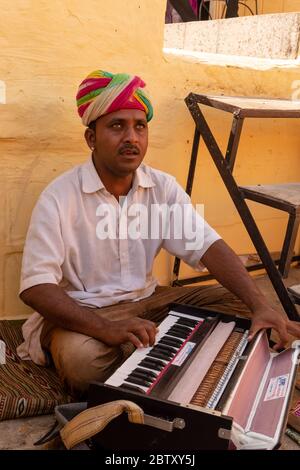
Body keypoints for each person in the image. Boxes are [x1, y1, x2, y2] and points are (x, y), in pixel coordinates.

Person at [18, 69, 300, 398]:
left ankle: (151, 352)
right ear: (91, 138)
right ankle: (162, 355)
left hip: (151, 300)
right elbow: (36, 287)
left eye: (140, 126)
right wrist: (106, 329)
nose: (132, 138)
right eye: (117, 126)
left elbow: (207, 245)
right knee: (83, 362)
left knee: (242, 312)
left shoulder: (161, 186)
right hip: (86, 312)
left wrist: (259, 305)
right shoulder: (59, 196)